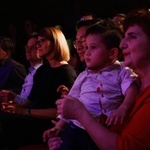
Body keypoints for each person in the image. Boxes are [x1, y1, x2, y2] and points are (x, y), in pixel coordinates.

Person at [47, 8, 150, 150]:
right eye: (82, 44)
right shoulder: (84, 75)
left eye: (132, 36)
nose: (122, 44)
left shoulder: (123, 73)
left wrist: (122, 108)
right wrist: (59, 129)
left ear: (112, 53)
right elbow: (71, 101)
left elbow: (122, 145)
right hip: (77, 130)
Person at [0, 27, 77, 150]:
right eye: (37, 43)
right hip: (31, 117)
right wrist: (14, 106)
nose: (38, 46)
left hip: (46, 124)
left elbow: (59, 112)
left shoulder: (65, 72)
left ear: (55, 42)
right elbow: (31, 101)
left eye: (41, 42)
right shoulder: (42, 70)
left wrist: (25, 112)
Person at [0, 33, 42, 105]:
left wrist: (9, 94)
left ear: (7, 53)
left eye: (33, 47)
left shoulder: (15, 67)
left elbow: (24, 92)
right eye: (27, 47)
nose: (28, 50)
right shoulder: (31, 72)